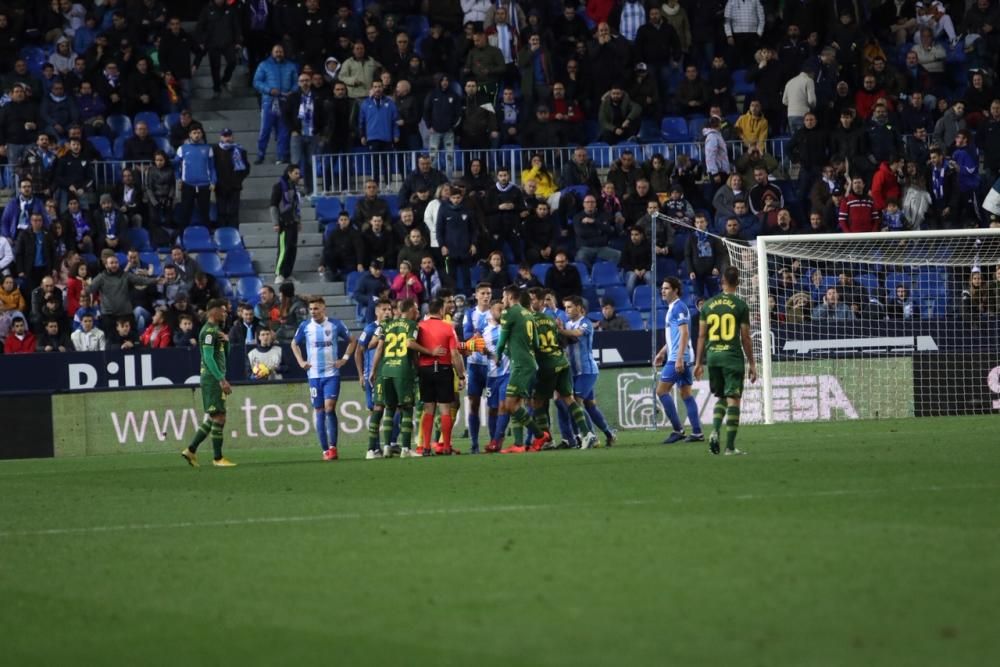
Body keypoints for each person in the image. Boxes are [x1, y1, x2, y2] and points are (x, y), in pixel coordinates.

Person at [693, 266, 757, 455]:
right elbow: (745, 338)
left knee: (720, 396)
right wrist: (752, 363)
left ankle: (714, 430)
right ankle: (729, 447)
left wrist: (698, 363)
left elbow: (701, 336)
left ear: (722, 282)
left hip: (713, 357)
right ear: (737, 283)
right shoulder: (740, 306)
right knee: (734, 399)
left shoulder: (707, 305)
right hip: (732, 357)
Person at [367, 298, 441, 459]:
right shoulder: (412, 325)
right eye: (416, 309)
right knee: (407, 409)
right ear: (409, 310)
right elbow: (410, 345)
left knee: (389, 408)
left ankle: (386, 447)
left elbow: (379, 347)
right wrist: (430, 353)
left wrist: (373, 370)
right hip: (402, 371)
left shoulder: (386, 324)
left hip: (385, 370)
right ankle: (405, 449)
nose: (418, 312)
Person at [486, 285, 552, 453]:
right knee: (515, 403)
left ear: (509, 296)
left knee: (510, 403)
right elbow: (536, 343)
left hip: (521, 365)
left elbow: (501, 341)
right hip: (529, 363)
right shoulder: (528, 314)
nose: (502, 300)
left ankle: (538, 436)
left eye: (503, 296)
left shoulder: (509, 313)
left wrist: (499, 355)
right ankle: (525, 441)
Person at [291, 297, 356, 461]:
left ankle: (333, 447)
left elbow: (352, 340)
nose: (313, 312)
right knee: (319, 410)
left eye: (316, 308)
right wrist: (301, 361)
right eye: (311, 309)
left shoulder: (335, 324)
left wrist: (345, 358)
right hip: (313, 376)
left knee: (329, 408)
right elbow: (294, 344)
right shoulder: (305, 326)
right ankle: (325, 449)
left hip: (331, 374)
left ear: (324, 309)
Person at [181, 299, 237, 467]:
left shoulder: (216, 331)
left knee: (215, 416)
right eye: (223, 310)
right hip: (212, 379)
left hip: (216, 376)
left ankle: (191, 450)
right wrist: (221, 379)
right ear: (213, 312)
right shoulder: (208, 332)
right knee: (219, 417)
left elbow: (223, 357)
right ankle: (218, 458)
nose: (225, 313)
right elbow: (207, 357)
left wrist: (227, 343)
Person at [654, 277, 704, 444]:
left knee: (661, 391)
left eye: (667, 288)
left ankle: (678, 430)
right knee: (686, 394)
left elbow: (684, 334)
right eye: (662, 288)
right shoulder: (673, 308)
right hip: (677, 355)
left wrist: (679, 358)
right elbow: (674, 337)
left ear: (676, 290)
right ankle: (697, 433)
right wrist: (662, 352)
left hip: (678, 357)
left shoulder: (679, 307)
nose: (663, 291)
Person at [415, 297, 466, 455]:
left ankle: (426, 447)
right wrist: (461, 375)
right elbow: (455, 354)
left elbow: (413, 349)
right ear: (440, 311)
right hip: (444, 369)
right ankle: (445, 446)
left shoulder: (420, 326)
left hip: (425, 369)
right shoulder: (447, 327)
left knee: (428, 408)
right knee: (445, 409)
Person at [562, 295, 615, 447]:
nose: (567, 310)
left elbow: (577, 334)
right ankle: (609, 433)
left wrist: (560, 330)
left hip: (587, 371)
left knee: (575, 403)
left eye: (570, 307)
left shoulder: (586, 323)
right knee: (590, 405)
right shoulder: (567, 324)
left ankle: (590, 436)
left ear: (579, 308)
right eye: (565, 307)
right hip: (574, 372)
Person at [252, 44, 297, 164]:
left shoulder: (291, 66)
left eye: (281, 51)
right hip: (269, 101)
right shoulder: (264, 65)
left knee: (284, 130)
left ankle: (281, 156)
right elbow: (256, 82)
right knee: (265, 129)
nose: (279, 54)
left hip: (285, 101)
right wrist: (269, 90)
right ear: (272, 53)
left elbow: (296, 82)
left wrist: (292, 91)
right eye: (276, 51)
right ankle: (260, 154)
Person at [462, 283, 493, 453]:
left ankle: (493, 441)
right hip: (474, 365)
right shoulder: (470, 313)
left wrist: (479, 331)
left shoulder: (495, 312)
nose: (486, 296)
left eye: (488, 293)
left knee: (493, 405)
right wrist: (473, 335)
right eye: (483, 293)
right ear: (476, 295)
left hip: (491, 366)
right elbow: (465, 334)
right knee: (474, 403)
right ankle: (474, 443)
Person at [175, 124, 216, 229]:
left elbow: (212, 167)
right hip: (188, 184)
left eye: (198, 133)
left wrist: (213, 181)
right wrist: (178, 179)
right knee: (185, 212)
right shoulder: (182, 149)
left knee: (205, 211)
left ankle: (208, 234)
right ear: (190, 135)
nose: (197, 135)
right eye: (194, 133)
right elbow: (176, 166)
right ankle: (182, 234)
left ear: (202, 134)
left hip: (204, 185)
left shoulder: (208, 149)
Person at [212, 128, 250, 228]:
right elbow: (211, 167)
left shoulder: (240, 150)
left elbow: (246, 168)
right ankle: (221, 235)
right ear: (221, 137)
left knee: (234, 212)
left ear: (232, 137)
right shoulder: (214, 150)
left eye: (229, 136)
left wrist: (238, 180)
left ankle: (234, 235)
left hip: (235, 187)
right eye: (225, 136)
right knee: (221, 212)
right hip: (220, 187)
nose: (227, 138)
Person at [270, 165, 302, 284]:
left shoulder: (294, 187)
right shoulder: (278, 187)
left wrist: (298, 221)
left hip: (293, 222)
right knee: (284, 249)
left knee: (292, 249)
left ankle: (287, 273)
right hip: (283, 223)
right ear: (289, 173)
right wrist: (275, 223)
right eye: (296, 173)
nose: (298, 176)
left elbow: (296, 206)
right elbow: (273, 206)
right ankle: (279, 274)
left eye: (299, 173)